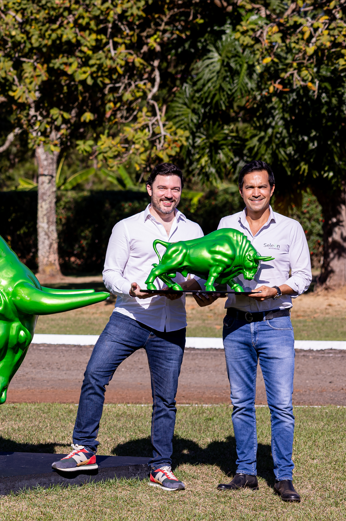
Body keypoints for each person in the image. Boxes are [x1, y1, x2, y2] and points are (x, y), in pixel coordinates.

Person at [51, 163, 207, 491]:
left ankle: (161, 467)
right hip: (130, 317)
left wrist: (189, 285)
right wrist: (133, 288)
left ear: (181, 192)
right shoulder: (127, 227)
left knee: (166, 399)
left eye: (175, 189)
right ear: (149, 189)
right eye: (162, 188)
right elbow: (110, 275)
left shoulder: (193, 231)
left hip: (172, 324)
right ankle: (84, 450)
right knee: (95, 375)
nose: (169, 195)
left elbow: (201, 278)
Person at [214, 161, 311, 503]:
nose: (255, 192)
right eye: (248, 187)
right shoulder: (227, 225)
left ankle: (284, 477)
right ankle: (245, 473)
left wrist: (277, 290)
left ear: (271, 190)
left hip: (275, 323)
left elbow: (302, 276)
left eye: (261, 187)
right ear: (241, 191)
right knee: (241, 403)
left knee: (281, 405)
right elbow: (218, 263)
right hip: (236, 324)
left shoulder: (290, 228)